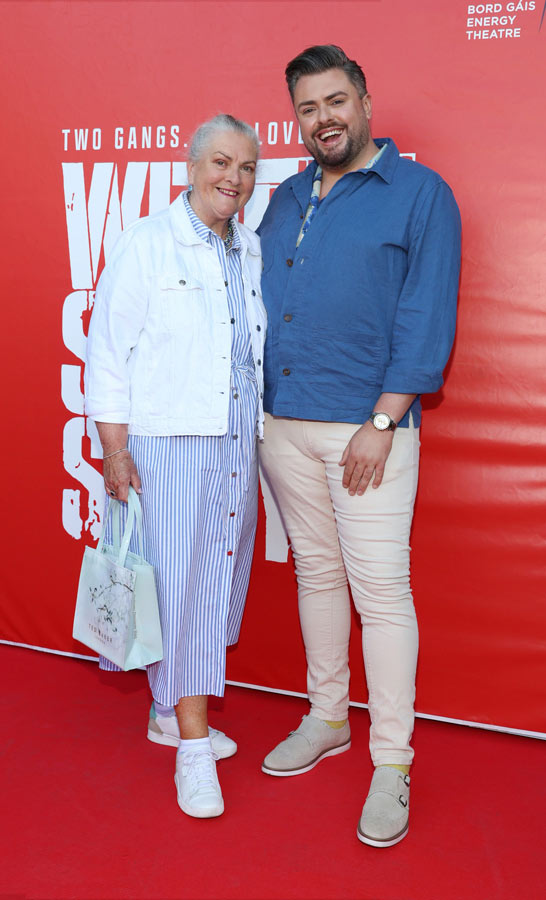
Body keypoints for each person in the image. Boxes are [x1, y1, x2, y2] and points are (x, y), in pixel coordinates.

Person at [257, 45, 461, 846]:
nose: (323, 120)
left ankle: (392, 762)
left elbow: (426, 313)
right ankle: (327, 718)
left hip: (367, 431)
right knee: (316, 573)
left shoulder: (420, 193)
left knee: (381, 595)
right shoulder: (283, 198)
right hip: (284, 426)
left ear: (365, 100)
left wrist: (382, 421)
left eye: (336, 101)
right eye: (308, 109)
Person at [85, 114, 266, 819]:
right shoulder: (148, 244)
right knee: (183, 588)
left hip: (234, 443)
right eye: (222, 162)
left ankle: (167, 711)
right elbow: (107, 353)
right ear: (191, 166)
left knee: (215, 578)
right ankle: (191, 748)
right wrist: (117, 450)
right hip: (169, 445)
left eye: (247, 167)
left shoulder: (247, 246)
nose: (235, 178)